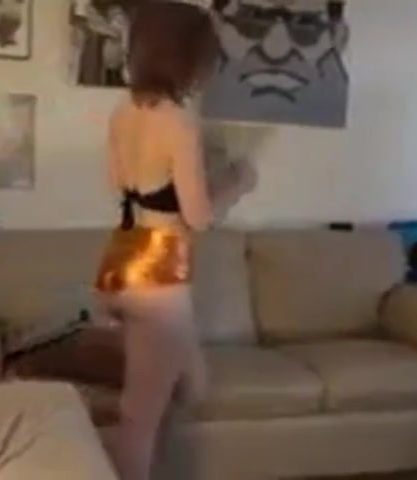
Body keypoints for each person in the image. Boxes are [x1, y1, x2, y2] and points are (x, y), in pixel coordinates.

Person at [93, 2, 256, 479]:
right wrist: (239, 182)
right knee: (139, 416)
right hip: (159, 271)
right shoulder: (179, 122)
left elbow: (120, 186)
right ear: (187, 58)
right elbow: (199, 217)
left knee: (189, 385)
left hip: (124, 256)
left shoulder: (122, 112)